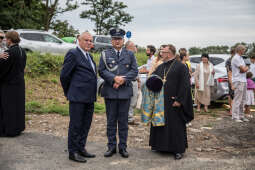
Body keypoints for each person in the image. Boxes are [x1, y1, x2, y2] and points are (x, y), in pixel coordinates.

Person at [149, 44, 194, 160]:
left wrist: (179, 100)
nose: (160, 54)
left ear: (169, 53)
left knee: (175, 126)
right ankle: (160, 146)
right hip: (160, 102)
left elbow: (185, 85)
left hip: (174, 102)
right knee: (161, 124)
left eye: (162, 52)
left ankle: (177, 149)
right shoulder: (161, 67)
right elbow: (154, 79)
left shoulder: (180, 66)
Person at [99, 28, 138, 158]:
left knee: (123, 122)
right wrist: (113, 79)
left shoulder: (130, 54)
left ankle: (123, 147)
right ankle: (111, 147)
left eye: (119, 39)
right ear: (112, 40)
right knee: (110, 122)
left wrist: (122, 80)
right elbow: (102, 70)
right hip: (110, 92)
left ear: (123, 40)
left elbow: (134, 71)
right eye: (115, 39)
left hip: (124, 92)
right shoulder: (105, 54)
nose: (117, 41)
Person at [60, 31, 97, 163]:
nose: (89, 43)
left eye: (91, 41)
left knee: (86, 125)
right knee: (75, 125)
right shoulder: (73, 54)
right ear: (79, 41)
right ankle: (73, 152)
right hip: (77, 97)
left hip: (89, 98)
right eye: (86, 40)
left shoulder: (90, 56)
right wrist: (69, 92)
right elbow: (64, 76)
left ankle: (81, 148)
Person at [0, 31, 27, 137]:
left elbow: (3, 69)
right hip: (19, 83)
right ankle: (18, 128)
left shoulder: (8, 52)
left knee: (8, 107)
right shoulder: (22, 51)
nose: (5, 41)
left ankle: (9, 130)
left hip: (9, 84)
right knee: (17, 107)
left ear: (10, 40)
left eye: (5, 39)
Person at [231, 44, 249, 123]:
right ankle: (235, 116)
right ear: (240, 50)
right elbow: (243, 70)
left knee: (243, 99)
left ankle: (241, 115)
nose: (244, 51)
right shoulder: (236, 58)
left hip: (243, 80)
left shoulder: (241, 58)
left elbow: (244, 69)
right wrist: (247, 67)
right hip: (238, 80)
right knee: (237, 99)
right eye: (243, 49)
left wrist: (246, 68)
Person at [125, 40, 140, 125]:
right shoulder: (127, 56)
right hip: (130, 81)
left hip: (134, 81)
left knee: (133, 101)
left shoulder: (133, 56)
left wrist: (138, 79)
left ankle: (130, 118)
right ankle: (129, 119)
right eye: (134, 46)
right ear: (130, 47)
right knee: (130, 101)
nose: (135, 48)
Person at [225, 48, 235, 115]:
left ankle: (234, 109)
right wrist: (231, 82)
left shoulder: (238, 60)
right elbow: (228, 71)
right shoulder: (229, 61)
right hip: (231, 79)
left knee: (235, 95)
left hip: (237, 79)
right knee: (231, 95)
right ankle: (231, 110)